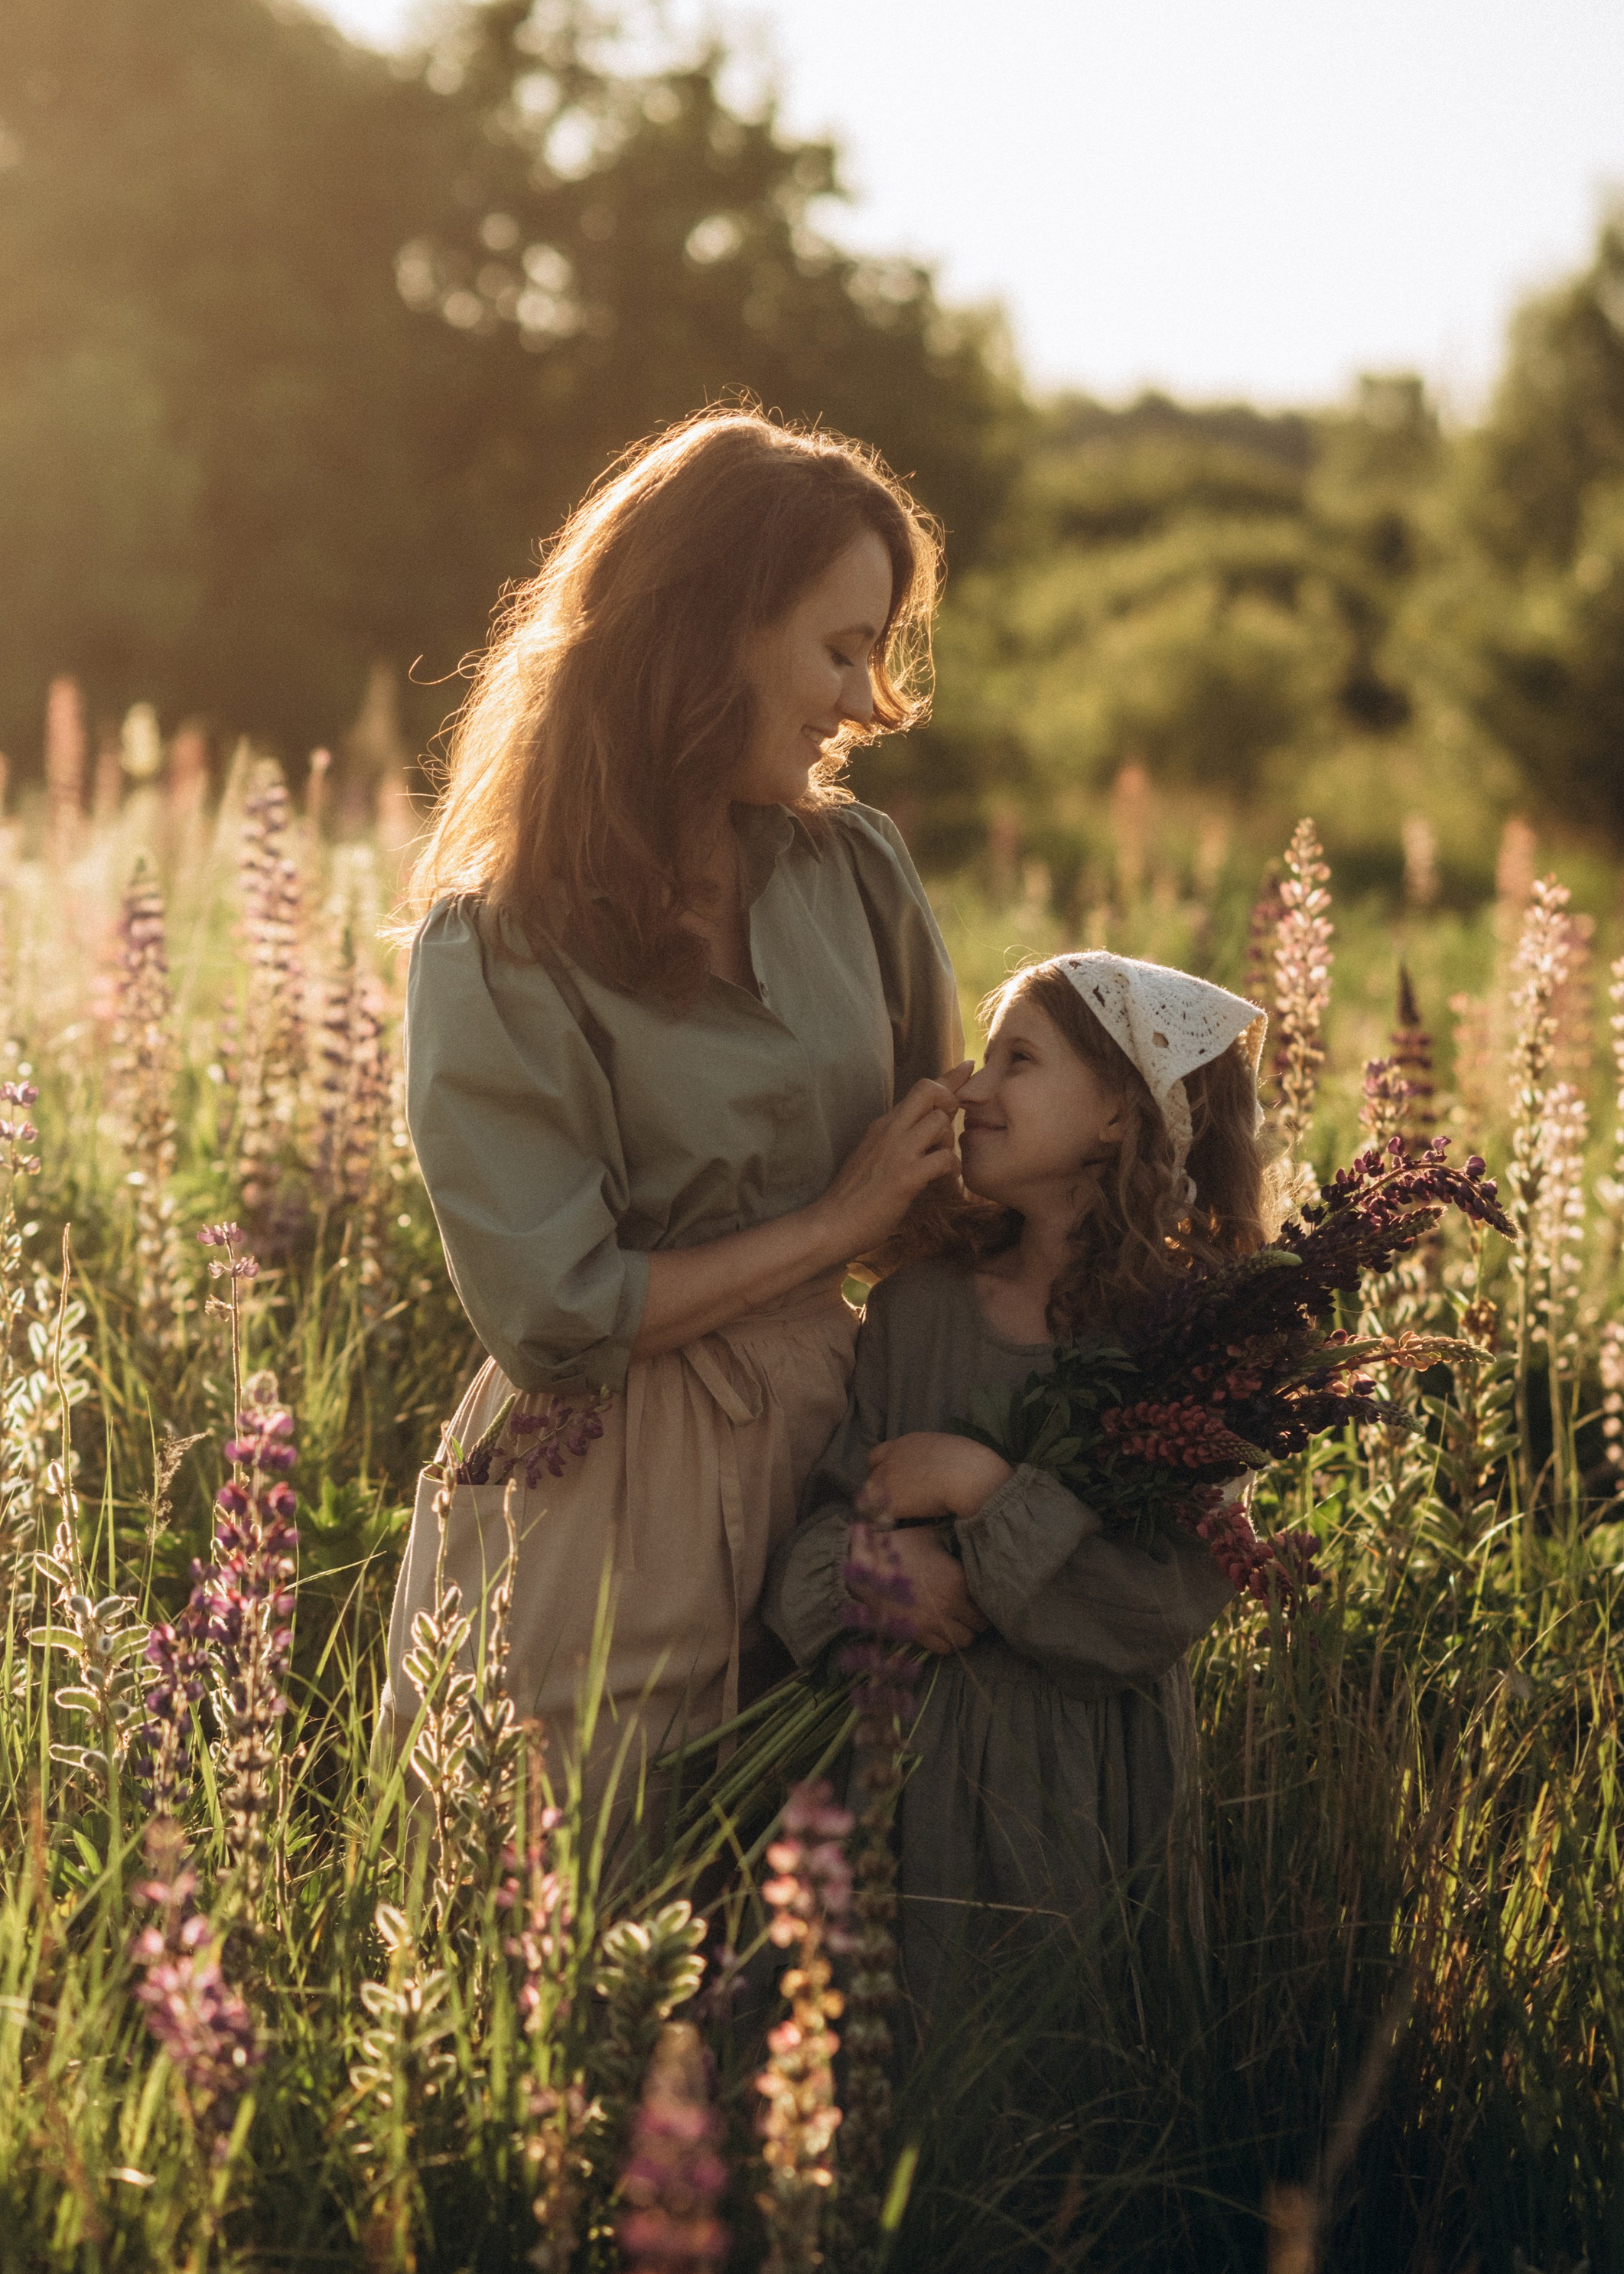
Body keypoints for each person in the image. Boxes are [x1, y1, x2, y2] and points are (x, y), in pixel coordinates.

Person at [378, 409, 968, 1812]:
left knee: (825, 1947)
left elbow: (940, 1189)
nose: (866, 705)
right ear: (707, 633)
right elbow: (555, 1315)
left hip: (838, 1463)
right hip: (599, 1497)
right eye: (840, 650)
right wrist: (839, 1218)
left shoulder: (854, 872)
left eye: (876, 653)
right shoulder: (500, 945)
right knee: (592, 1926)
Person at [763, 950, 1268, 2020]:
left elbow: (1155, 1608)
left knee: (1058, 2072)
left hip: (1086, 1802)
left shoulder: (1180, 1346)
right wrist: (868, 1568)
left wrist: (988, 1493)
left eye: (1019, 1062)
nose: (970, 1087)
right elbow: (807, 1553)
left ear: (1120, 1119)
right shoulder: (917, 1313)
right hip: (904, 1788)